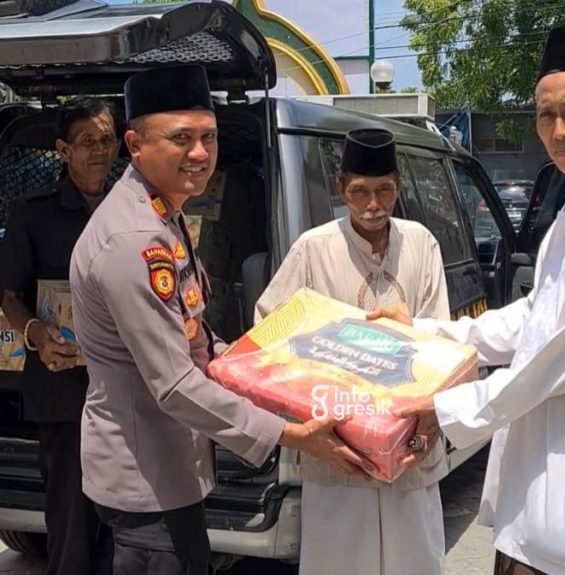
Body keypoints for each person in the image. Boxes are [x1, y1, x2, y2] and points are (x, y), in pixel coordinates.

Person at [372, 25, 565, 575]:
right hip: (536, 492)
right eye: (545, 115)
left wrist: (445, 411)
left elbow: (564, 356)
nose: (558, 131)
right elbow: (534, 318)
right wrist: (424, 331)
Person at [68, 64, 368, 575]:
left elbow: (196, 338)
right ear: (135, 144)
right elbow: (175, 383)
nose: (201, 153)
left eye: (208, 136)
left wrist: (272, 365)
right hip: (147, 480)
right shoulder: (134, 239)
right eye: (181, 138)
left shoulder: (163, 214)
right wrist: (288, 434)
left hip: (167, 466)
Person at [254, 128, 451, 575]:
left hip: (410, 451)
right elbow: (269, 330)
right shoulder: (314, 249)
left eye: (384, 191)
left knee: (415, 563)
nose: (372, 205)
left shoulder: (421, 243)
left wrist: (428, 419)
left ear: (398, 188)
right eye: (359, 192)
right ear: (341, 189)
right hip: (339, 453)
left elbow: (442, 342)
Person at [0, 97, 119, 575]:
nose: (99, 150)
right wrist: (34, 333)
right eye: (86, 140)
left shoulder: (134, 208)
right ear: (63, 150)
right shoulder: (33, 213)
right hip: (62, 389)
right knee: (69, 515)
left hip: (123, 386)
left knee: (123, 516)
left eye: (107, 139)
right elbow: (8, 293)